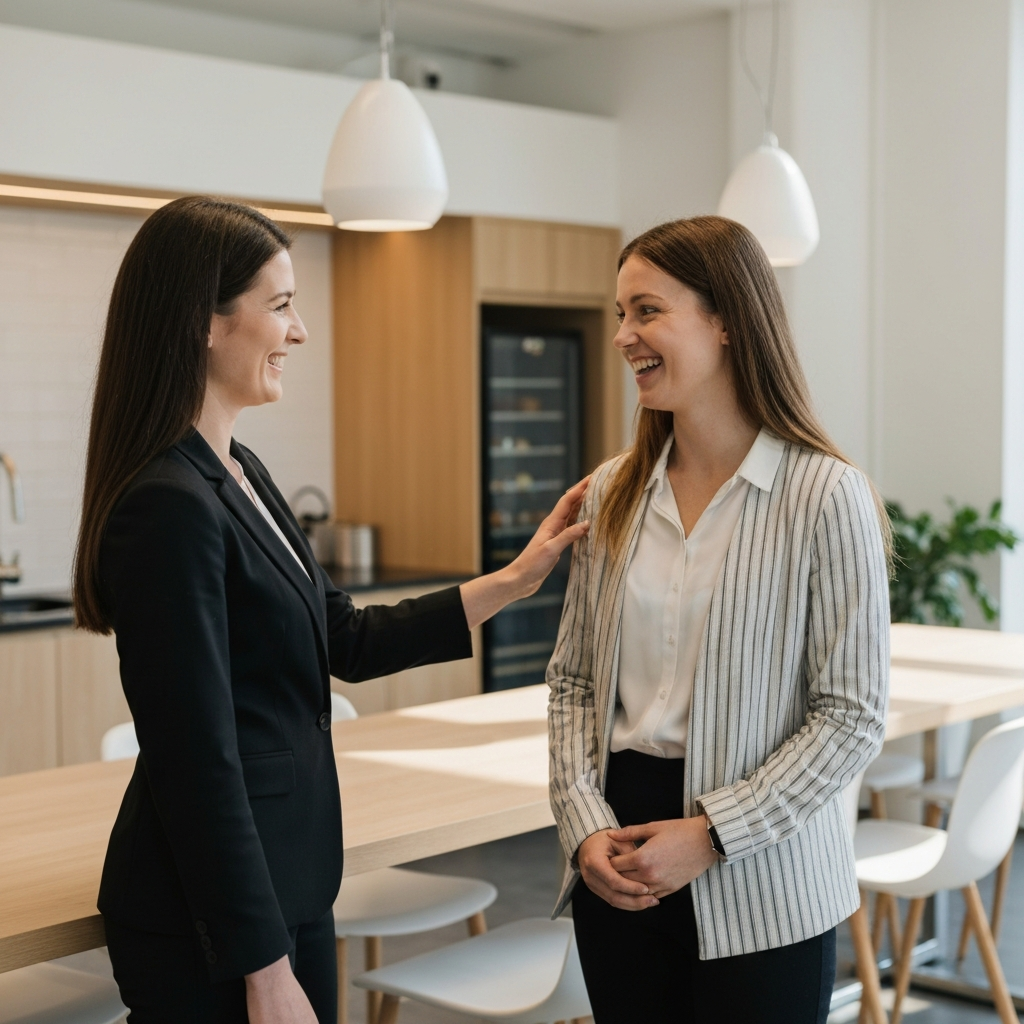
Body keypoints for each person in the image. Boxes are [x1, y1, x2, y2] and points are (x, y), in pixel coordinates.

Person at [73, 196, 589, 1024]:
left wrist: (515, 580)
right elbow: (196, 763)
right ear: (204, 322)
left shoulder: (238, 467)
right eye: (280, 306)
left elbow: (341, 634)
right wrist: (262, 964)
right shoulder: (168, 504)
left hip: (287, 883)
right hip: (212, 926)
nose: (300, 331)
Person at [547, 216, 890, 1024]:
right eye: (621, 314)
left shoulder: (825, 495)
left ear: (726, 319)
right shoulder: (610, 493)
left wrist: (711, 835)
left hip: (764, 866)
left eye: (647, 311)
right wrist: (585, 824)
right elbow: (572, 682)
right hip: (618, 852)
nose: (624, 336)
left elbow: (851, 715)